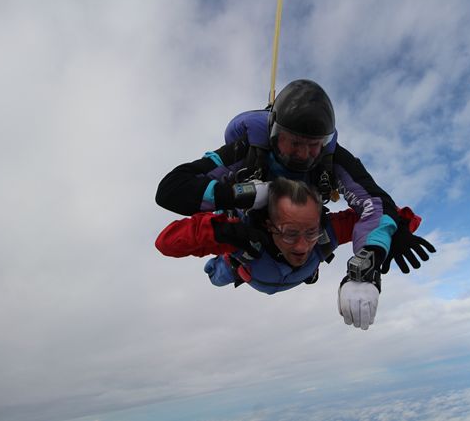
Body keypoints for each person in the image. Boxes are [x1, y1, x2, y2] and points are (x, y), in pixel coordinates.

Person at [155, 79, 435, 314]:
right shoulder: (248, 153)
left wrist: (375, 253)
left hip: (282, 255)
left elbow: (376, 204)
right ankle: (245, 254)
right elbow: (172, 191)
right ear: (274, 134)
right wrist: (240, 200)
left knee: (308, 240)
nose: (304, 155)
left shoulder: (331, 165)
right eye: (295, 143)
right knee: (218, 273)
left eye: (314, 145)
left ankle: (295, 243)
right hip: (248, 245)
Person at [156, 178, 423, 330]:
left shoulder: (327, 233)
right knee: (215, 275)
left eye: (310, 232)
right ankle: (229, 260)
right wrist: (225, 231)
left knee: (311, 250)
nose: (302, 246)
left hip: (276, 273)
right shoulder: (244, 237)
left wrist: (397, 229)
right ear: (269, 226)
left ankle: (301, 260)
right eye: (290, 233)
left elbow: (379, 215)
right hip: (240, 267)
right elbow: (166, 242)